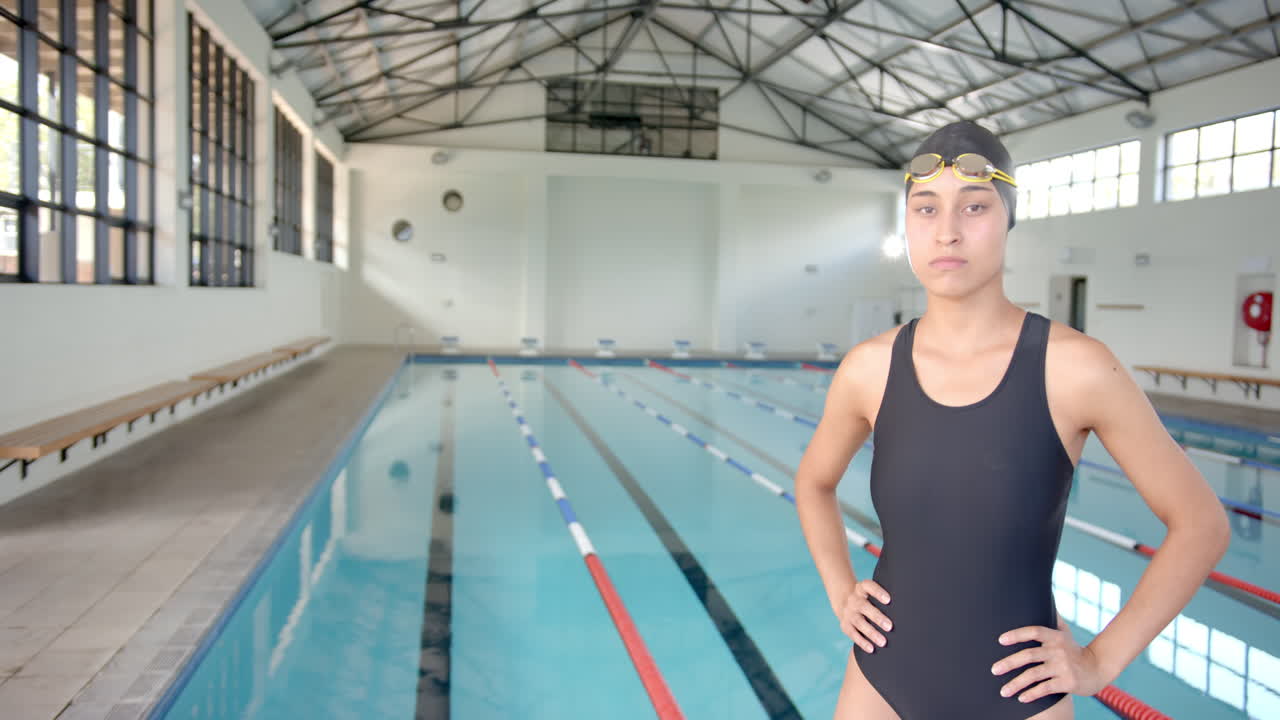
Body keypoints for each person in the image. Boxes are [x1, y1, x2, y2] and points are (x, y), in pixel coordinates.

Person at [794, 120, 1231, 719]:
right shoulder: (868, 369)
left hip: (1019, 698)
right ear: (907, 223)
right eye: (926, 209)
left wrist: (1100, 661)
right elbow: (813, 483)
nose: (946, 231)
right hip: (880, 682)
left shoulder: (1075, 368)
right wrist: (841, 589)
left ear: (1009, 219)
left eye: (974, 207)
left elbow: (1201, 525)